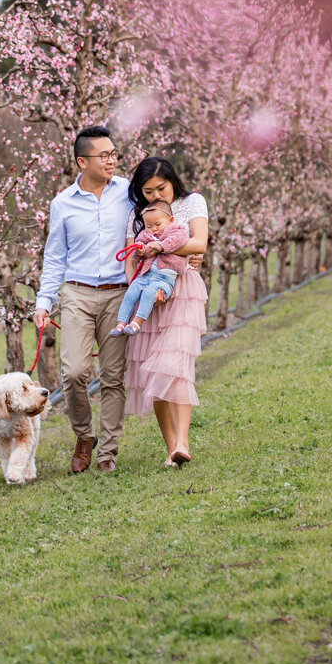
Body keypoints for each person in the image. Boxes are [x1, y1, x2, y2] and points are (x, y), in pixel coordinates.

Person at [34, 125, 134, 474]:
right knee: (74, 372)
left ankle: (107, 451)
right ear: (82, 161)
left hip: (118, 294)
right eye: (103, 155)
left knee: (112, 376)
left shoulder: (128, 192)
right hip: (76, 292)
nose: (111, 161)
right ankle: (84, 436)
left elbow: (160, 215)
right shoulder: (62, 203)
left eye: (113, 154)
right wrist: (43, 302)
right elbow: (54, 256)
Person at [121, 157, 209, 467]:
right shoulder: (136, 214)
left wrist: (163, 248)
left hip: (182, 290)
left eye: (162, 188)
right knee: (150, 369)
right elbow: (132, 257)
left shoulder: (191, 202)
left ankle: (183, 441)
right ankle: (172, 449)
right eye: (148, 191)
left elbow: (199, 242)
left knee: (175, 364)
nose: (157, 196)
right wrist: (143, 287)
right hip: (148, 296)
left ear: (173, 181)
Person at [109, 200, 188, 337]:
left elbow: (178, 240)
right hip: (146, 275)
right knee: (131, 291)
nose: (154, 229)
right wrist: (139, 252)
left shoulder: (176, 230)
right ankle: (121, 323)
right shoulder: (145, 235)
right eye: (149, 226)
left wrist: (161, 246)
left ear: (170, 220)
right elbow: (137, 247)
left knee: (148, 293)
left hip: (164, 279)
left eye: (158, 224)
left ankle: (136, 323)